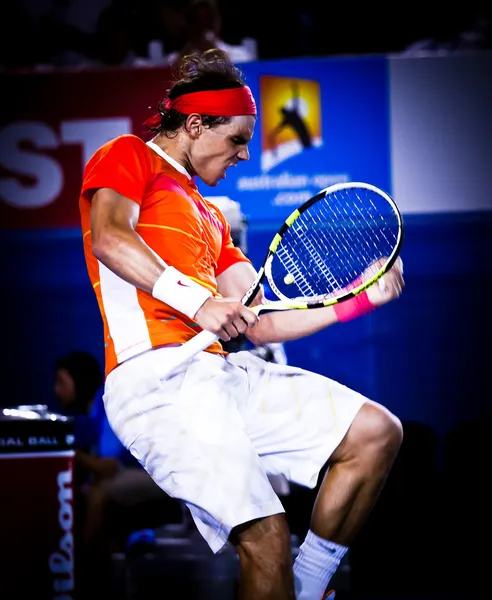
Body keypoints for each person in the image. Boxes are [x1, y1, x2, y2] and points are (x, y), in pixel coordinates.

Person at [79, 48, 405, 599]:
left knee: (375, 433)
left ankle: (310, 586)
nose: (245, 154)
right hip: (156, 382)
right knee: (266, 539)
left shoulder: (210, 219)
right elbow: (110, 237)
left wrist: (358, 301)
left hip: (218, 378)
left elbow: (261, 324)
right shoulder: (128, 155)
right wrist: (194, 301)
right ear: (197, 124)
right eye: (236, 139)